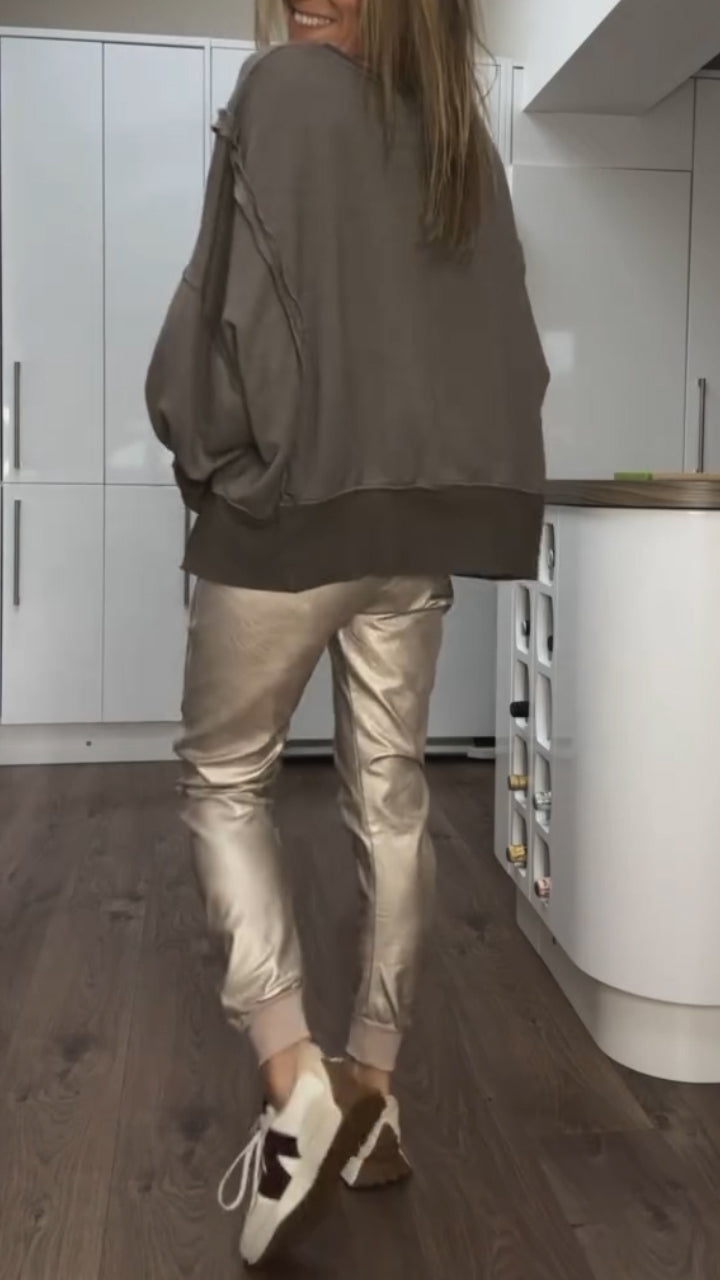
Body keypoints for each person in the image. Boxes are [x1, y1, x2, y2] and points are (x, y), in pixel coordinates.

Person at [146, 0, 548, 1266]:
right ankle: (375, 1090)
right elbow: (513, 355)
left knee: (224, 781)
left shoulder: (278, 90)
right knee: (393, 795)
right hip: (408, 535)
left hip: (281, 521)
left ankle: (296, 1079)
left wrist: (207, 461)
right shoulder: (461, 139)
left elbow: (211, 321)